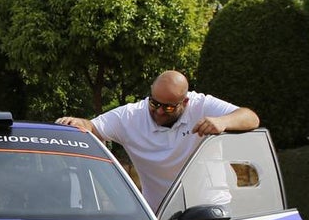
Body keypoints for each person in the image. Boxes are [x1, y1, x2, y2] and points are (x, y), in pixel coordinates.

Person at [56, 70, 259, 209]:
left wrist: (223, 121)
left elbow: (251, 118)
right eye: (155, 103)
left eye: (169, 107)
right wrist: (76, 122)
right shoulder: (131, 116)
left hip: (212, 211)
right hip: (161, 216)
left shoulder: (202, 105)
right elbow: (92, 127)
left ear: (185, 102)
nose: (160, 111)